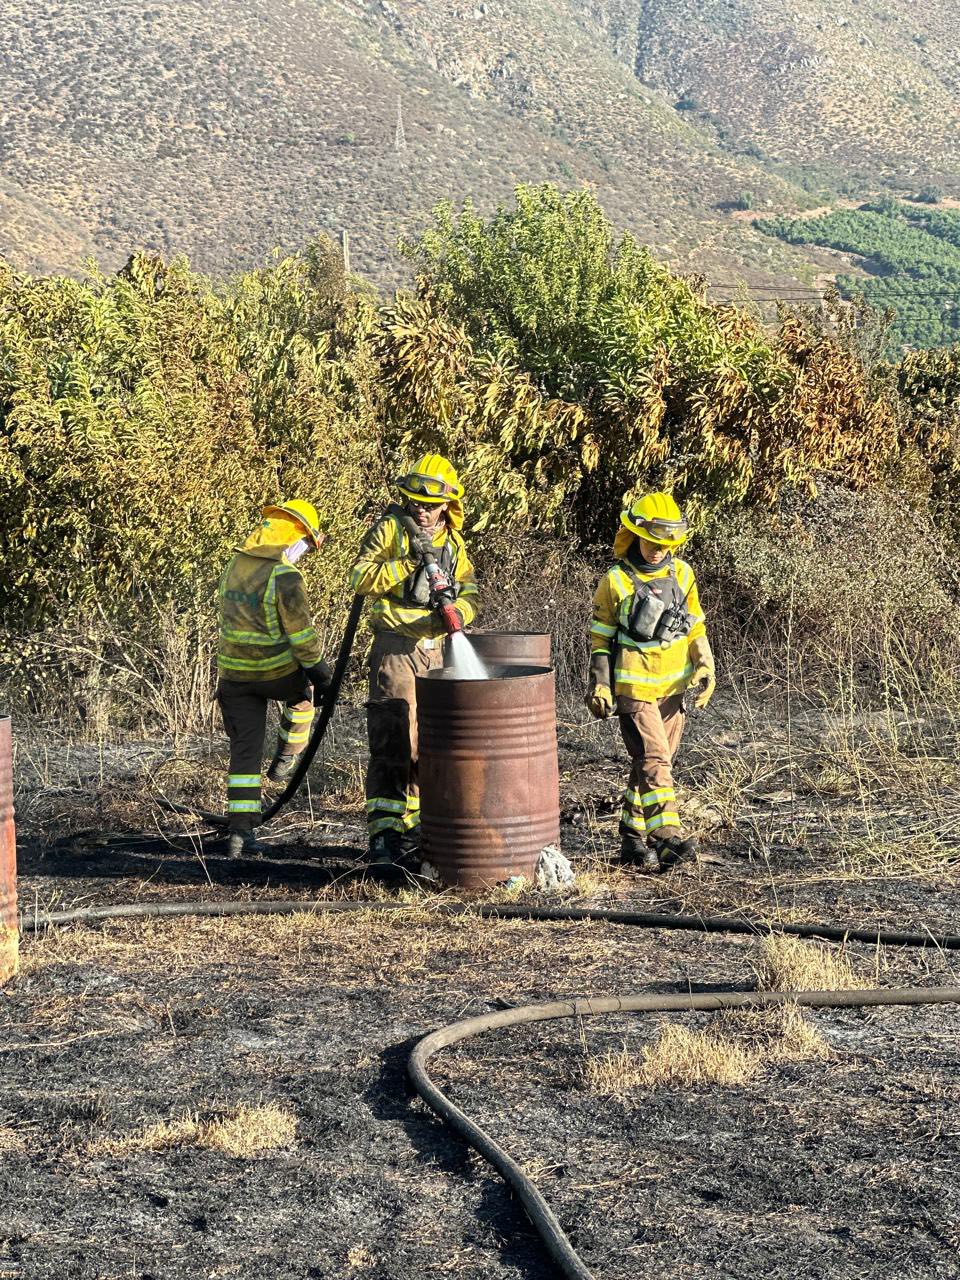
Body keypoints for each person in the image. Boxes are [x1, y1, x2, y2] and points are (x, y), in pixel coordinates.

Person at [349, 454, 479, 866]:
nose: (421, 509)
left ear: (446, 504)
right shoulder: (392, 529)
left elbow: (470, 590)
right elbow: (360, 578)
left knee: (430, 744)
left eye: (430, 503)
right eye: (415, 501)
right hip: (396, 649)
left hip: (438, 652)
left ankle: (419, 828)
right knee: (394, 741)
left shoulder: (455, 544)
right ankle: (385, 834)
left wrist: (461, 613)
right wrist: (410, 561)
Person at [586, 492, 716, 874]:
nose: (657, 550)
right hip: (633, 688)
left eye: (664, 544)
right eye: (650, 542)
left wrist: (705, 667)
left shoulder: (683, 575)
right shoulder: (615, 581)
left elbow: (695, 628)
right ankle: (668, 838)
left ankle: (630, 835)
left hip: (673, 689)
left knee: (650, 764)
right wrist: (601, 685)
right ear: (634, 535)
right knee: (655, 760)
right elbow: (600, 639)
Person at [216, 500, 332, 858]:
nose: (306, 553)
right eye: (307, 545)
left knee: (244, 755)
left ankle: (239, 835)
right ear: (297, 537)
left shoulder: (236, 564)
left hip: (233, 677)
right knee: (303, 697)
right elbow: (301, 637)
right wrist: (321, 672)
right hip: (274, 674)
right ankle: (286, 757)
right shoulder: (285, 575)